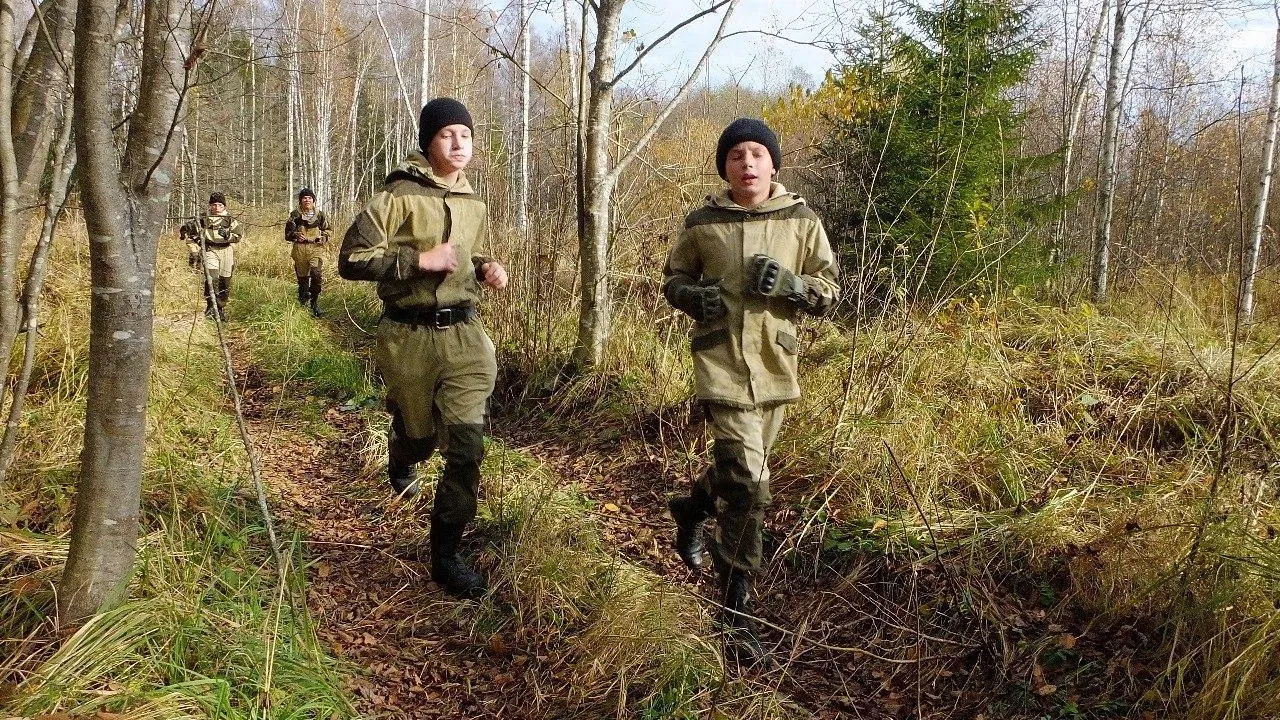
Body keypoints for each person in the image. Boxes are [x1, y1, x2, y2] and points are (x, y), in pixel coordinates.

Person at [663, 118, 840, 666]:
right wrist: (695, 298)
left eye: (756, 153)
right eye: (736, 154)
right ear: (724, 166)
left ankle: (691, 509)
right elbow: (672, 280)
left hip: (775, 365)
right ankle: (736, 610)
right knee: (750, 485)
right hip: (720, 363)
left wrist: (792, 286)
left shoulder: (800, 220)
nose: (746, 163)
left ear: (773, 164)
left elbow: (829, 291)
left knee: (742, 471)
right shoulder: (704, 222)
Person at [338, 97, 509, 600]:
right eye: (447, 135)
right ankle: (403, 451)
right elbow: (351, 259)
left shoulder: (474, 201)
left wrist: (486, 267)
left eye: (465, 136)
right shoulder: (398, 195)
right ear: (427, 141)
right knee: (420, 437)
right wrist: (417, 261)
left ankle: (445, 553)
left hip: (465, 338)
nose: (458, 144)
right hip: (407, 336)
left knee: (466, 449)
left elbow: (468, 253)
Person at [182, 192, 242, 320]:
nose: (216, 207)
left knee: (224, 281)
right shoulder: (203, 219)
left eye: (219, 205)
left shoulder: (230, 220)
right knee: (211, 278)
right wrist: (188, 232)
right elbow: (190, 231)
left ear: (224, 206)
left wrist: (227, 235)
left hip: (226, 251)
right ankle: (211, 307)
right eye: (213, 205)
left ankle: (220, 308)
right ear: (210, 206)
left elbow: (237, 237)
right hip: (210, 251)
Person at [284, 187, 332, 316]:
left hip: (316, 249)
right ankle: (303, 301)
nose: (307, 200)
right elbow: (287, 234)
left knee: (316, 274)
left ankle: (315, 303)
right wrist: (295, 235)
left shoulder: (320, 215)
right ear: (300, 201)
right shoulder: (294, 215)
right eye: (304, 198)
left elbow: (328, 230)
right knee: (302, 278)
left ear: (313, 200)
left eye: (309, 198)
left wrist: (323, 238)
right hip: (299, 249)